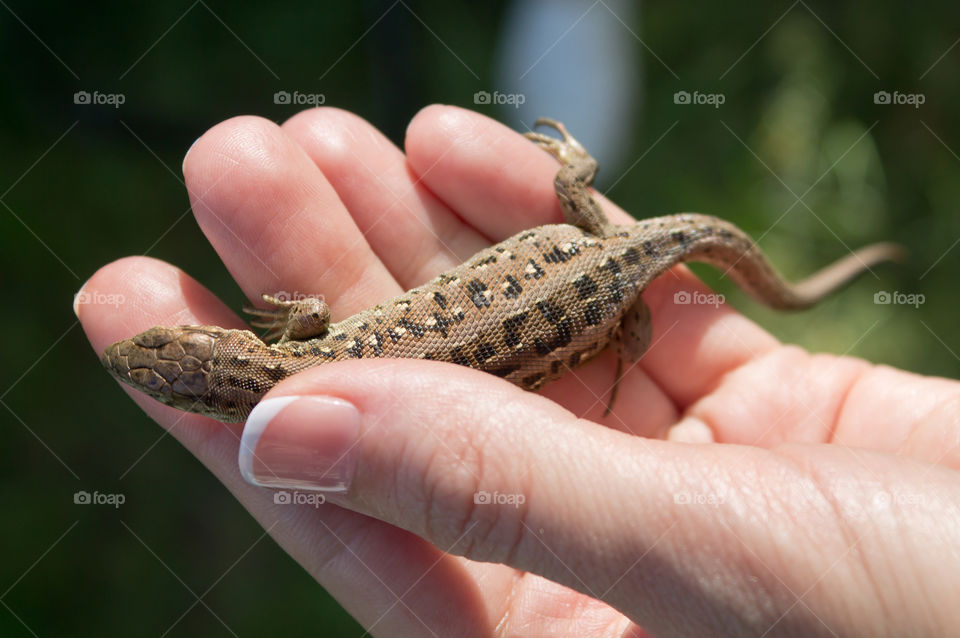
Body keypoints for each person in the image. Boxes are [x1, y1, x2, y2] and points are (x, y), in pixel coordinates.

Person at [78, 105, 960, 636]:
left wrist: (622, 334)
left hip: (597, 284)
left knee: (626, 320)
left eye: (161, 372)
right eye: (168, 371)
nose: (146, 369)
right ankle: (582, 185)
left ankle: (622, 269)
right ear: (231, 349)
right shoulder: (307, 343)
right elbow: (307, 315)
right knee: (610, 295)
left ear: (230, 384)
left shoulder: (319, 386)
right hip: (577, 258)